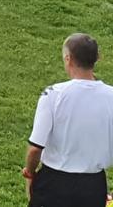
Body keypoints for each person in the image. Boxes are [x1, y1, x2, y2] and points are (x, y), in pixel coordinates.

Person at [24, 33, 113, 207]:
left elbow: (35, 149)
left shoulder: (53, 94)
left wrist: (30, 173)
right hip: (93, 185)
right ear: (97, 58)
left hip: (53, 182)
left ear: (68, 58)